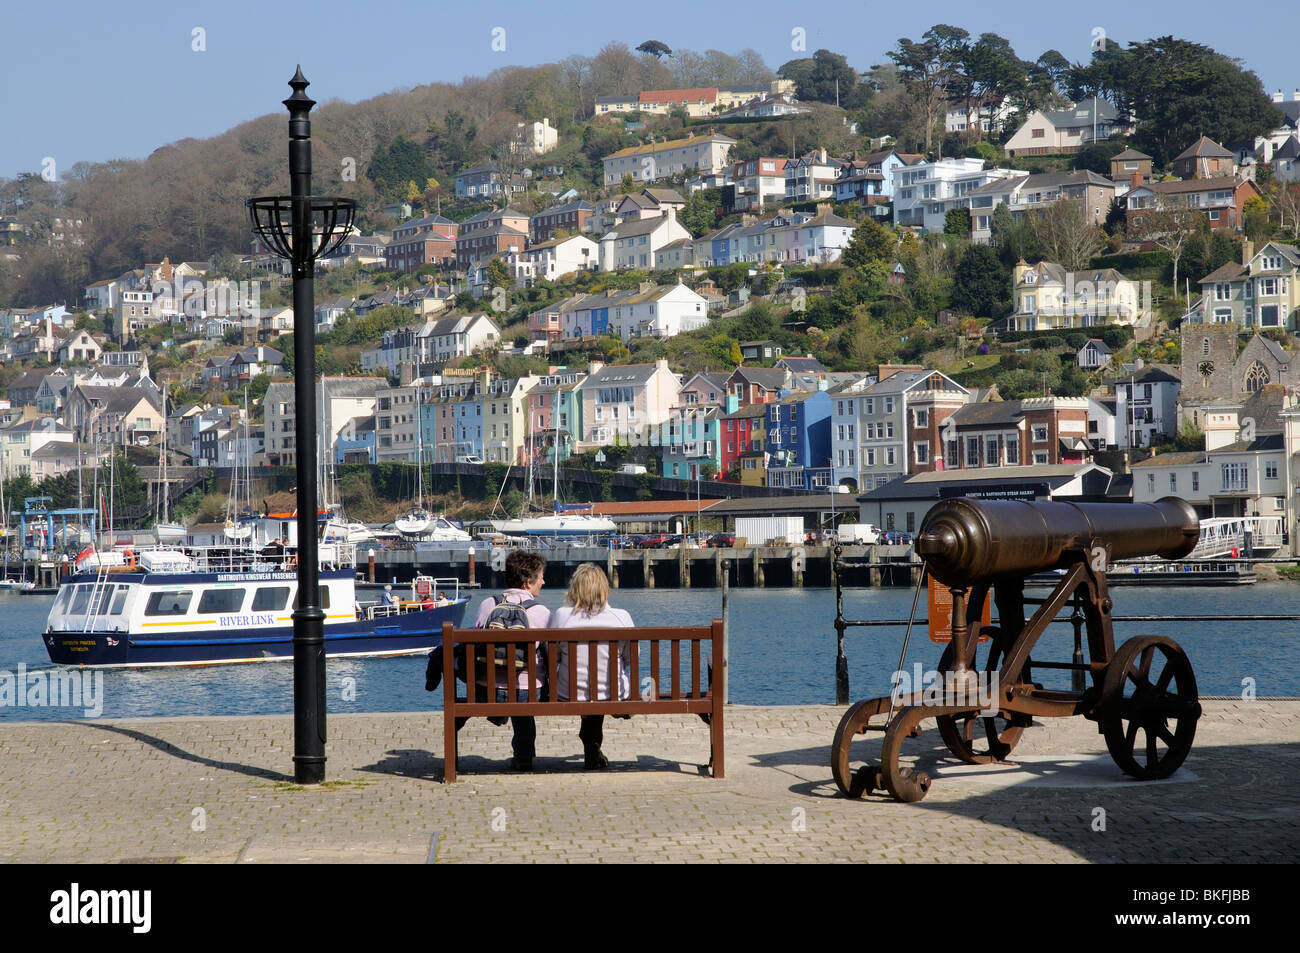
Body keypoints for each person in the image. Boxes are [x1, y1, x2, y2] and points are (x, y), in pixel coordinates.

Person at [471, 550, 549, 771]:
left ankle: (498, 710)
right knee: (525, 705)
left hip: (487, 689)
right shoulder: (541, 611)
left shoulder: (488, 603)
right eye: (541, 576)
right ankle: (523, 757)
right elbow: (549, 653)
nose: (544, 581)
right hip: (526, 689)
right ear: (528, 583)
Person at [551, 563, 631, 770]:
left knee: (585, 686)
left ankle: (591, 746)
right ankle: (592, 748)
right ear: (605, 589)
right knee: (601, 686)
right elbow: (632, 659)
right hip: (614, 693)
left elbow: (554, 658)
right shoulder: (621, 617)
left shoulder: (561, 615)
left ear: (575, 589)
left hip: (569, 692)